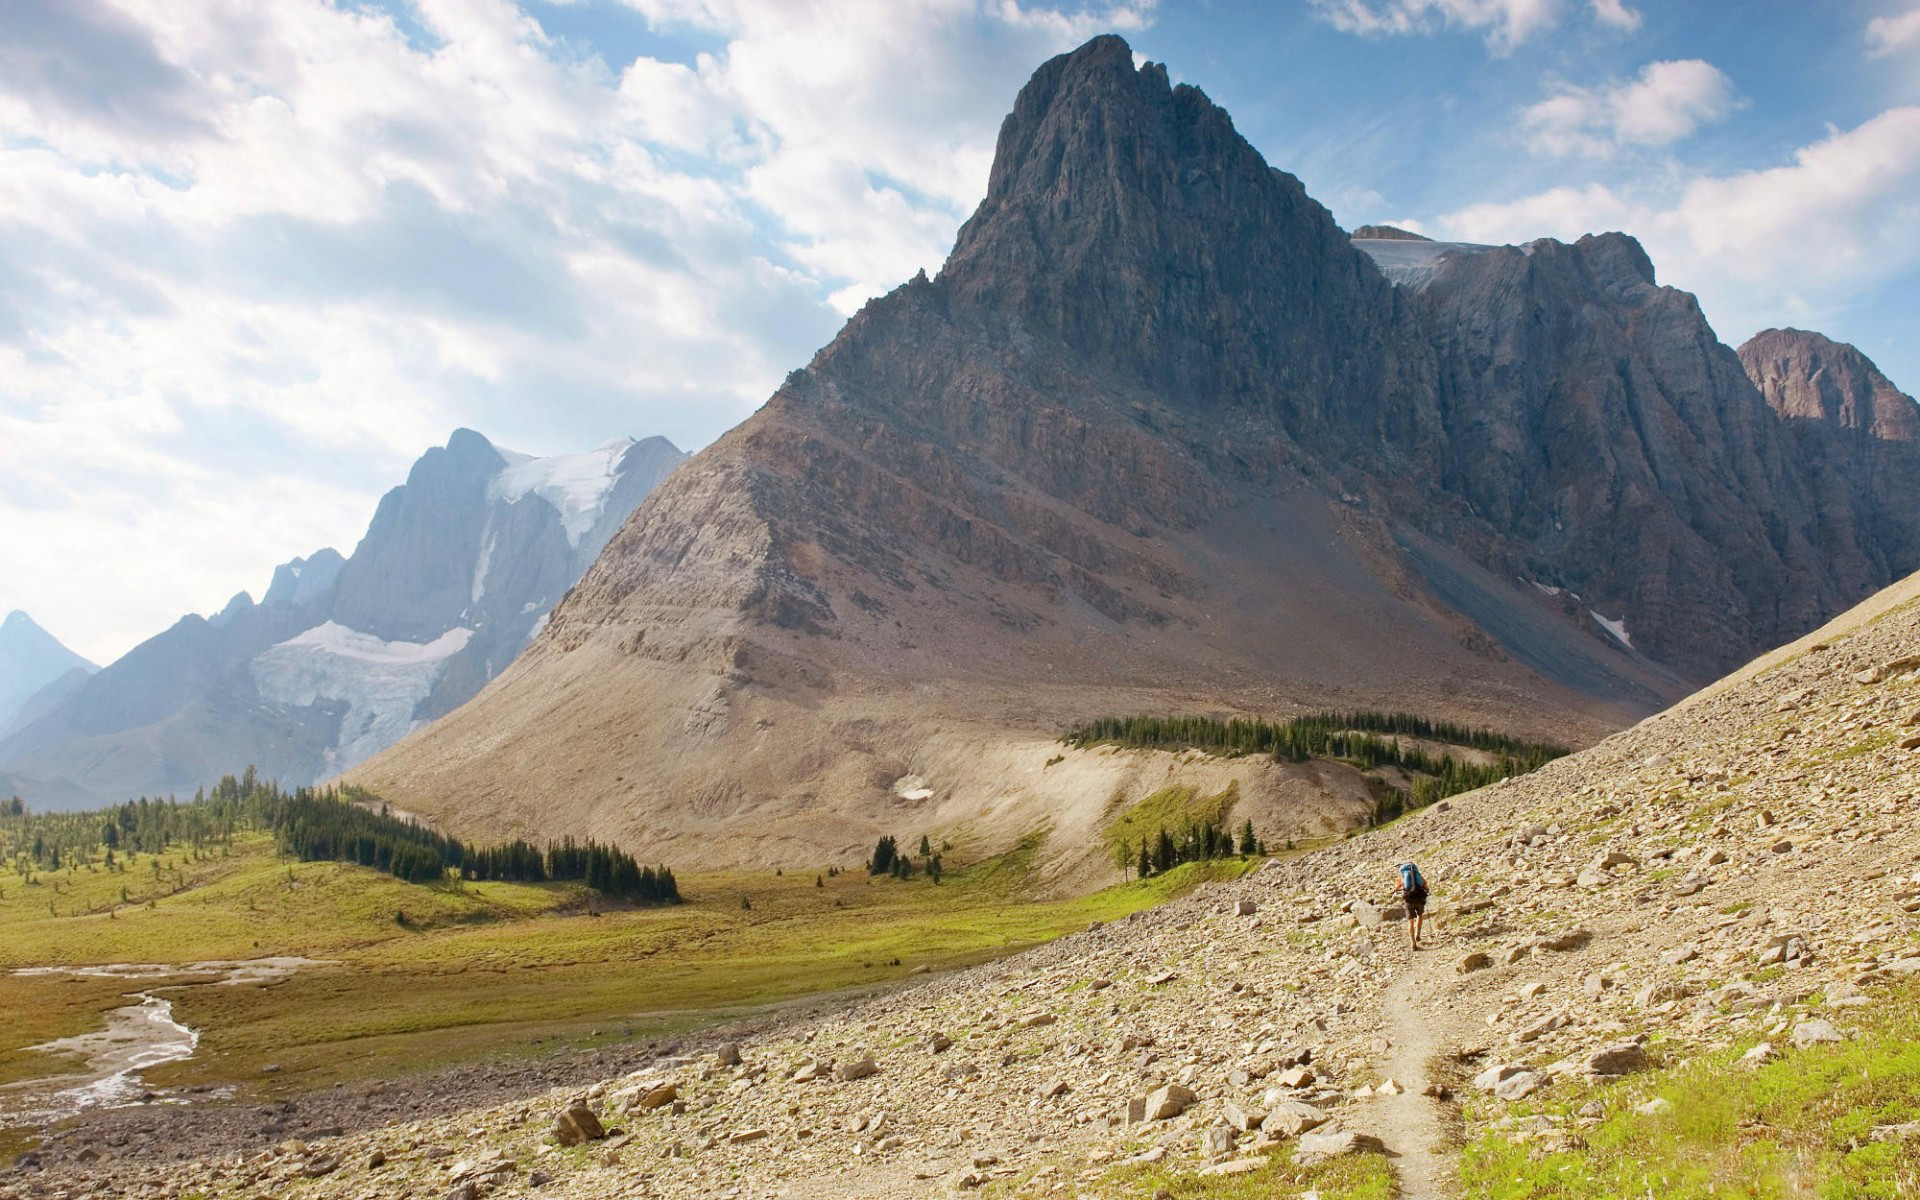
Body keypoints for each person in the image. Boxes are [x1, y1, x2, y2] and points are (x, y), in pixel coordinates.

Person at [1396, 861, 1429, 949]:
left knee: (1410, 922)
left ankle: (1413, 943)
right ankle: (1418, 934)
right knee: (1420, 915)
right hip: (1419, 898)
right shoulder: (1418, 876)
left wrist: (1395, 890)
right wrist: (1426, 891)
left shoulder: (1403, 877)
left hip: (1409, 899)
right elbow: (1425, 884)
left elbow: (1397, 887)